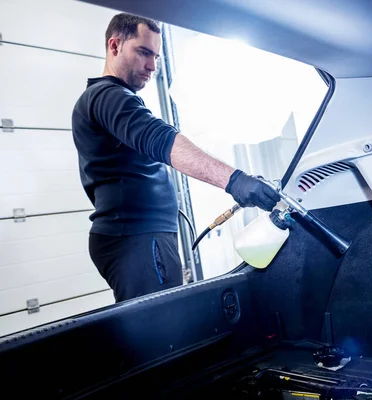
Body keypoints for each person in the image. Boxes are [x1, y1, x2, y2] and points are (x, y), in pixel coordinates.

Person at [72, 13, 280, 302]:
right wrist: (235, 181)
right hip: (137, 237)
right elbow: (161, 140)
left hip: (139, 236)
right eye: (144, 52)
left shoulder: (110, 98)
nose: (152, 66)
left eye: (156, 56)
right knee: (160, 330)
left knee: (161, 324)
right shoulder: (108, 95)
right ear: (114, 46)